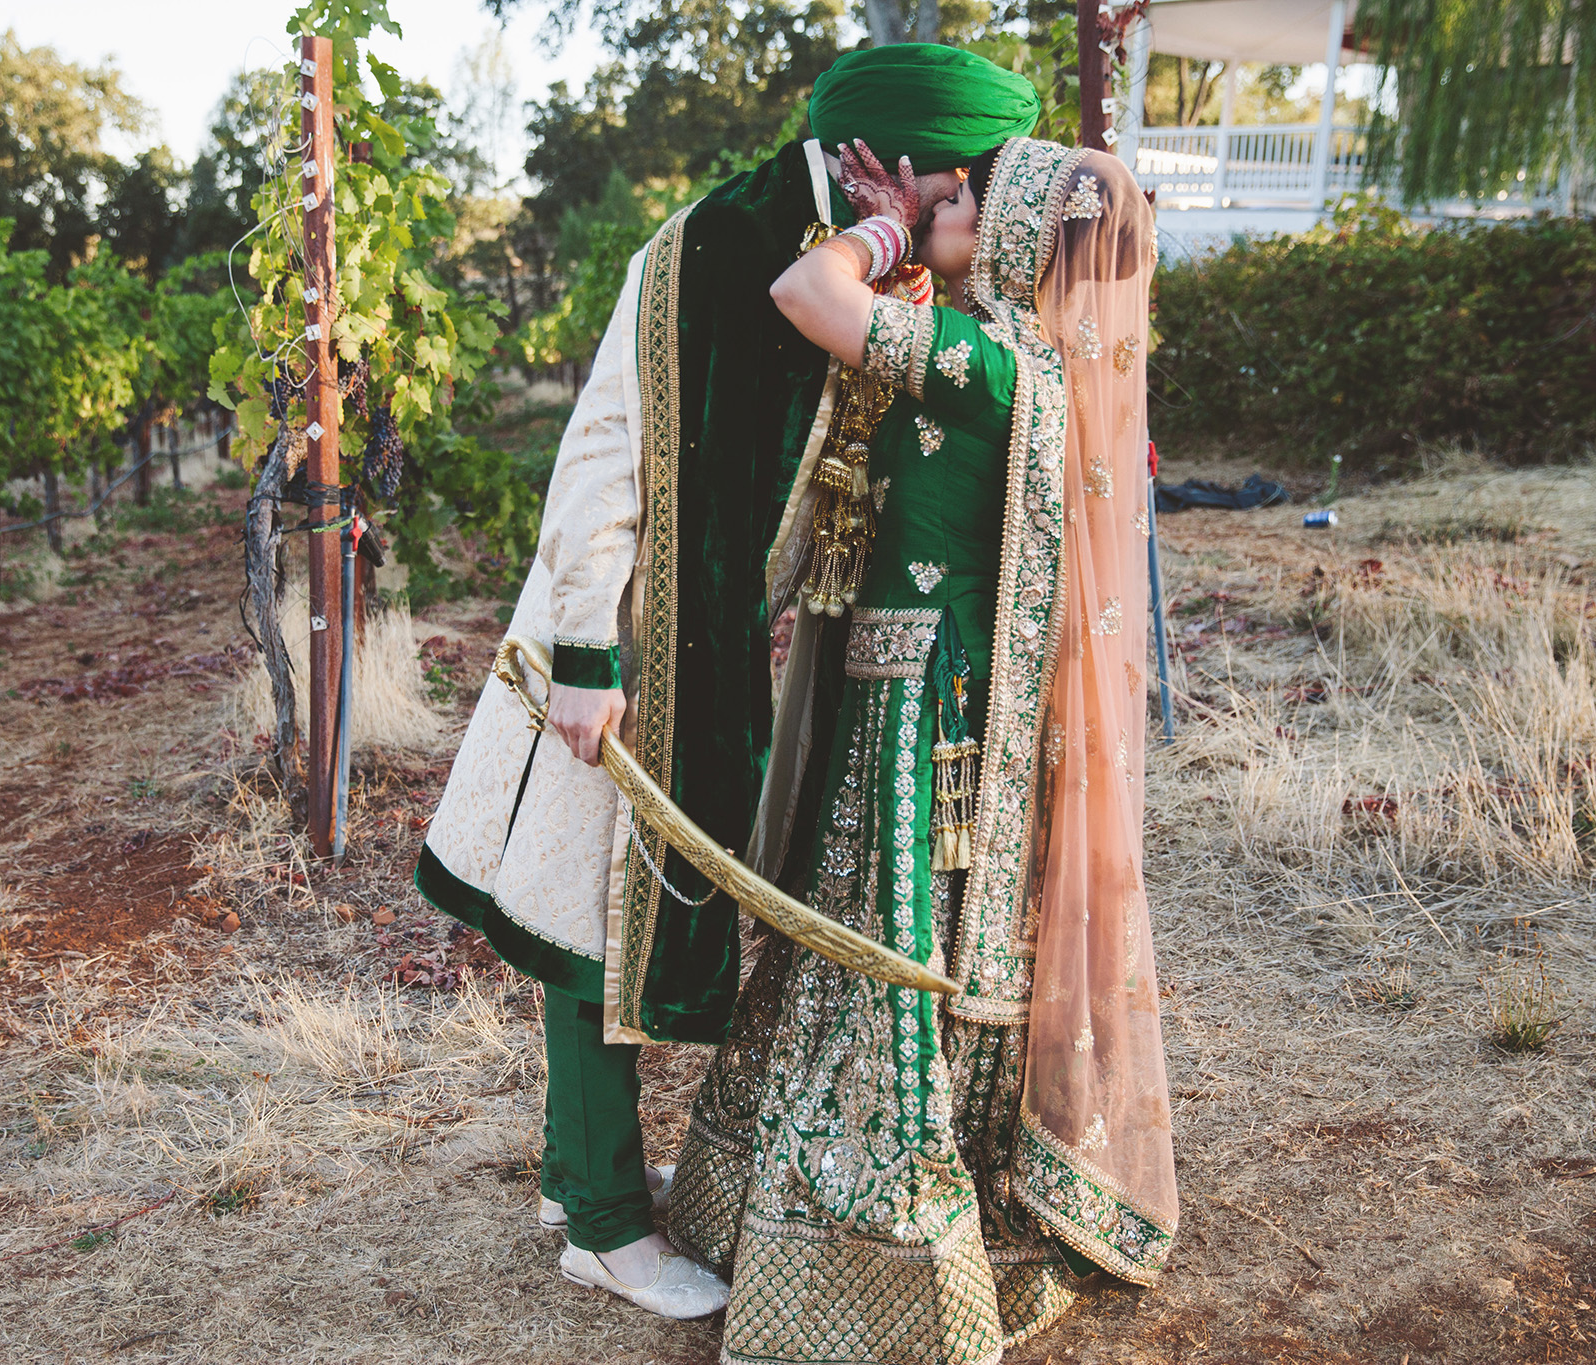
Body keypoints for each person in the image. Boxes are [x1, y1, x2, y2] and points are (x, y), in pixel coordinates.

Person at [414, 46, 1044, 1319]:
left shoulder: (854, 244)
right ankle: (604, 1228)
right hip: (632, 635)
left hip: (709, 641)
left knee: (624, 908)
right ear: (904, 165)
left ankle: (571, 1169)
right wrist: (592, 663)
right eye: (967, 177)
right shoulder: (716, 243)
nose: (975, 199)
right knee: (596, 918)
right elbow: (602, 448)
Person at [663, 136, 1179, 1362]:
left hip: (916, 709)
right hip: (897, 688)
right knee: (875, 943)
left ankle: (884, 1245)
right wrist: (913, 235)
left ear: (1008, 242)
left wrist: (883, 234)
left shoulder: (991, 364)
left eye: (964, 203)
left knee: (889, 950)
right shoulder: (999, 352)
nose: (944, 207)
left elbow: (805, 295)